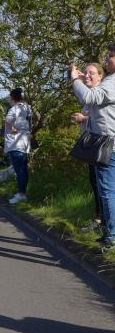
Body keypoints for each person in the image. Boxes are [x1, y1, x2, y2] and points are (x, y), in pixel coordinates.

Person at [71, 45, 115, 250]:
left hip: (107, 146)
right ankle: (108, 232)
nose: (107, 59)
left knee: (107, 191)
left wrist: (75, 79)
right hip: (103, 144)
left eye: (111, 56)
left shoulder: (112, 82)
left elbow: (89, 98)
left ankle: (111, 237)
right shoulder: (108, 82)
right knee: (105, 190)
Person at [71, 63, 106, 236]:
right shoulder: (91, 94)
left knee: (104, 187)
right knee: (96, 184)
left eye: (91, 73)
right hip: (93, 147)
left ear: (100, 76)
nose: (87, 75)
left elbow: (104, 120)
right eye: (85, 72)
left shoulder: (102, 93)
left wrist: (83, 119)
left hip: (103, 147)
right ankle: (100, 220)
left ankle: (104, 224)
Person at [4, 88, 32, 205]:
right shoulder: (27, 107)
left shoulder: (14, 108)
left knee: (19, 170)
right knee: (23, 169)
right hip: (25, 142)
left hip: (15, 143)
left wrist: (12, 127)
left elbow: (7, 120)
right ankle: (22, 192)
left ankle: (21, 194)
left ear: (12, 97)